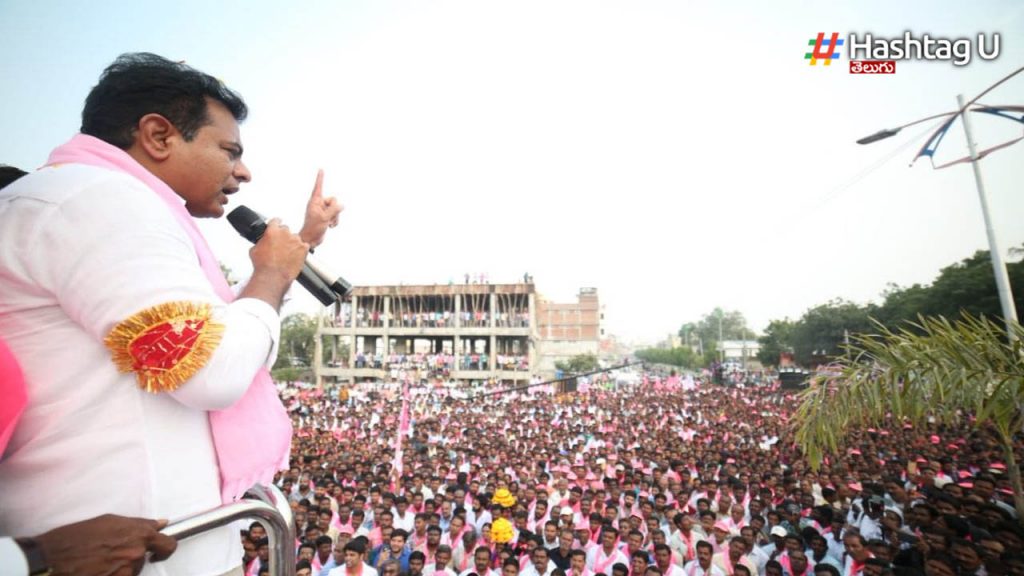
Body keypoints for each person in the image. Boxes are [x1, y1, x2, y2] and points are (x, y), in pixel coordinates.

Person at [0, 53, 341, 576]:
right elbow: (210, 366)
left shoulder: (89, 200)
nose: (243, 172)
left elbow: (207, 328)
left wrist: (294, 254)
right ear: (158, 135)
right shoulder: (98, 202)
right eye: (229, 151)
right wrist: (270, 276)